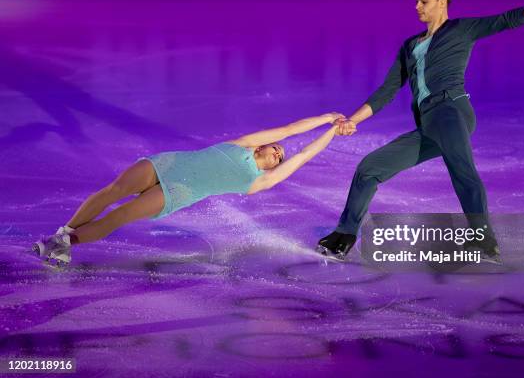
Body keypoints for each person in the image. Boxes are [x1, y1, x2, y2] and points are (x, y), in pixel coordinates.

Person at [317, 0, 524, 261]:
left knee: (462, 170)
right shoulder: (409, 46)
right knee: (369, 168)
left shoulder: (461, 29)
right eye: (416, 1)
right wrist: (353, 120)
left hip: (451, 111)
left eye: (423, 1)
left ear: (442, 2)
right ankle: (344, 234)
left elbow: (506, 19)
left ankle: (484, 240)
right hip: (429, 123)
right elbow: (387, 91)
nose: (417, 6)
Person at [33, 112, 344, 266]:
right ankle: (64, 233)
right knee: (113, 190)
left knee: (120, 216)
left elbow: (303, 155)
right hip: (167, 165)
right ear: (264, 145)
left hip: (180, 192)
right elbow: (290, 130)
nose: (278, 152)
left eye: (280, 157)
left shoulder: (259, 181)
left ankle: (64, 244)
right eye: (276, 148)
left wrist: (331, 132)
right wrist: (328, 117)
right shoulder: (244, 144)